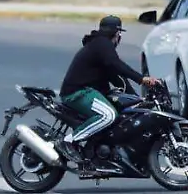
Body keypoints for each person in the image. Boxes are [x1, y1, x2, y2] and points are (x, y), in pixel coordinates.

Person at [58, 16, 160, 165]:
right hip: (78, 93)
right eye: (119, 34)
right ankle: (69, 141)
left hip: (86, 92)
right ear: (117, 33)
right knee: (108, 115)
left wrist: (138, 100)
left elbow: (117, 77)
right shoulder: (102, 45)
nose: (119, 38)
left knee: (118, 114)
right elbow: (117, 65)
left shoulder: (99, 46)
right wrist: (142, 79)